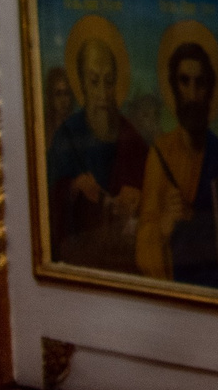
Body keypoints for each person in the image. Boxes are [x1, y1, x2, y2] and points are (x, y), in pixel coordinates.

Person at [135, 28, 218, 293]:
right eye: (184, 81)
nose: (192, 93)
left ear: (210, 90)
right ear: (174, 88)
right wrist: (164, 225)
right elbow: (143, 249)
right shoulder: (160, 155)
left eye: (200, 83)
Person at [43, 20, 148, 271]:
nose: (102, 91)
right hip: (81, 254)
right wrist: (74, 186)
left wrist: (139, 199)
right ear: (81, 83)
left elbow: (151, 192)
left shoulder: (130, 136)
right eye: (94, 81)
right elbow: (46, 200)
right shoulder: (67, 136)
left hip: (123, 254)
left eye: (109, 81)